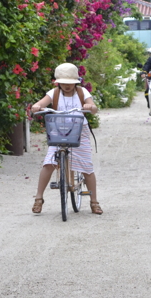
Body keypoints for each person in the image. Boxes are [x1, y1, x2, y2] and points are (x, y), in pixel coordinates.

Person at [28, 63, 102, 215]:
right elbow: (41, 103)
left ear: (76, 82)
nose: (67, 86)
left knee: (87, 166)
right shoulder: (54, 93)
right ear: (58, 82)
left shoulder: (82, 92)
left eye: (70, 83)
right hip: (58, 131)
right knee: (49, 163)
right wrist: (36, 106)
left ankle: (94, 201)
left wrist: (90, 107)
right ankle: (38, 198)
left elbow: (93, 107)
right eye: (63, 83)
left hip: (79, 131)